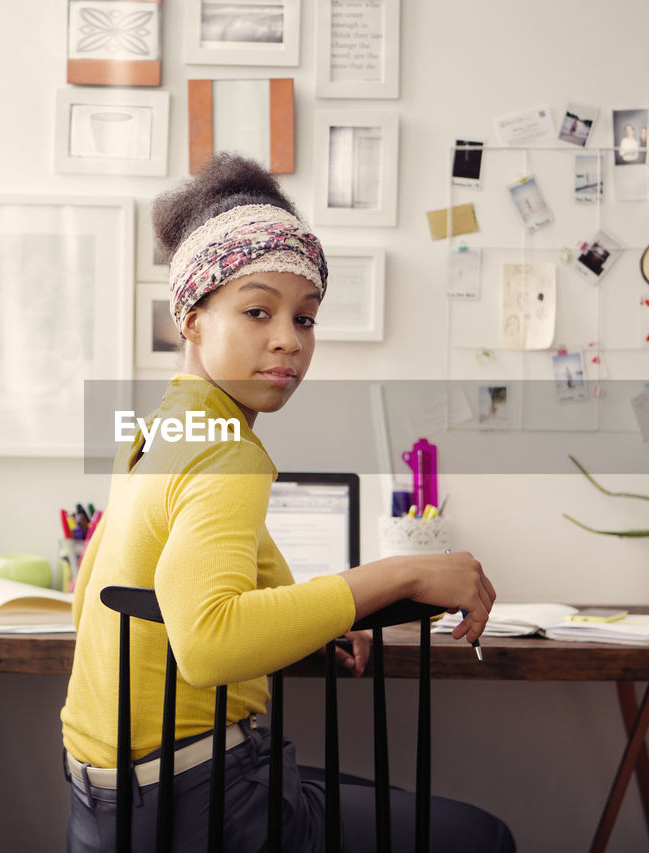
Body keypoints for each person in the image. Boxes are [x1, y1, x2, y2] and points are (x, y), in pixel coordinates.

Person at [61, 154, 514, 852]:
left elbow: (90, 590)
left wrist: (316, 615)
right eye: (257, 310)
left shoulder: (160, 432)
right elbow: (210, 644)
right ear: (191, 316)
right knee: (482, 837)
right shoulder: (225, 452)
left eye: (305, 319)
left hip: (107, 806)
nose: (288, 341)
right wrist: (398, 575)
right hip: (202, 804)